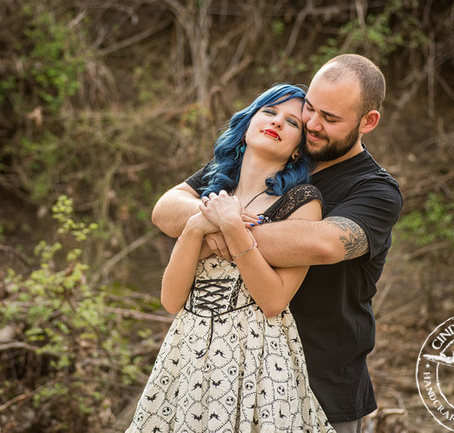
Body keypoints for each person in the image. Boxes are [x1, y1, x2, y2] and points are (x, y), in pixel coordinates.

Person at [151, 54, 403, 433]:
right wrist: (208, 221)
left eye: (330, 119)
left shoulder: (375, 190)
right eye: (311, 109)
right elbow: (167, 208)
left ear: (368, 121)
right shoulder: (258, 164)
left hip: (322, 385)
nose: (312, 124)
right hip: (222, 372)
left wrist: (224, 226)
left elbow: (324, 245)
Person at [126, 84, 334, 432]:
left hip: (258, 356)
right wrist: (197, 226)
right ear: (248, 123)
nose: (277, 122)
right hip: (188, 349)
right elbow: (171, 300)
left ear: (298, 150)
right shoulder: (210, 191)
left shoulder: (304, 200)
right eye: (269, 112)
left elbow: (273, 301)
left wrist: (233, 228)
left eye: (292, 122)